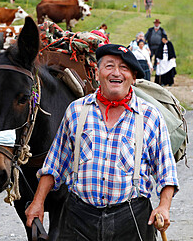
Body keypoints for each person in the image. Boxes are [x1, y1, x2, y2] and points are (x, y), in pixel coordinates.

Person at [25, 44, 179, 240]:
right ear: (97, 74)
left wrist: (164, 206)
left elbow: (167, 173)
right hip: (78, 217)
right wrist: (38, 202)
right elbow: (54, 164)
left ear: (132, 77)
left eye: (124, 68)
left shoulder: (150, 116)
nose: (116, 73)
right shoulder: (76, 111)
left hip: (131, 218)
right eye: (109, 66)